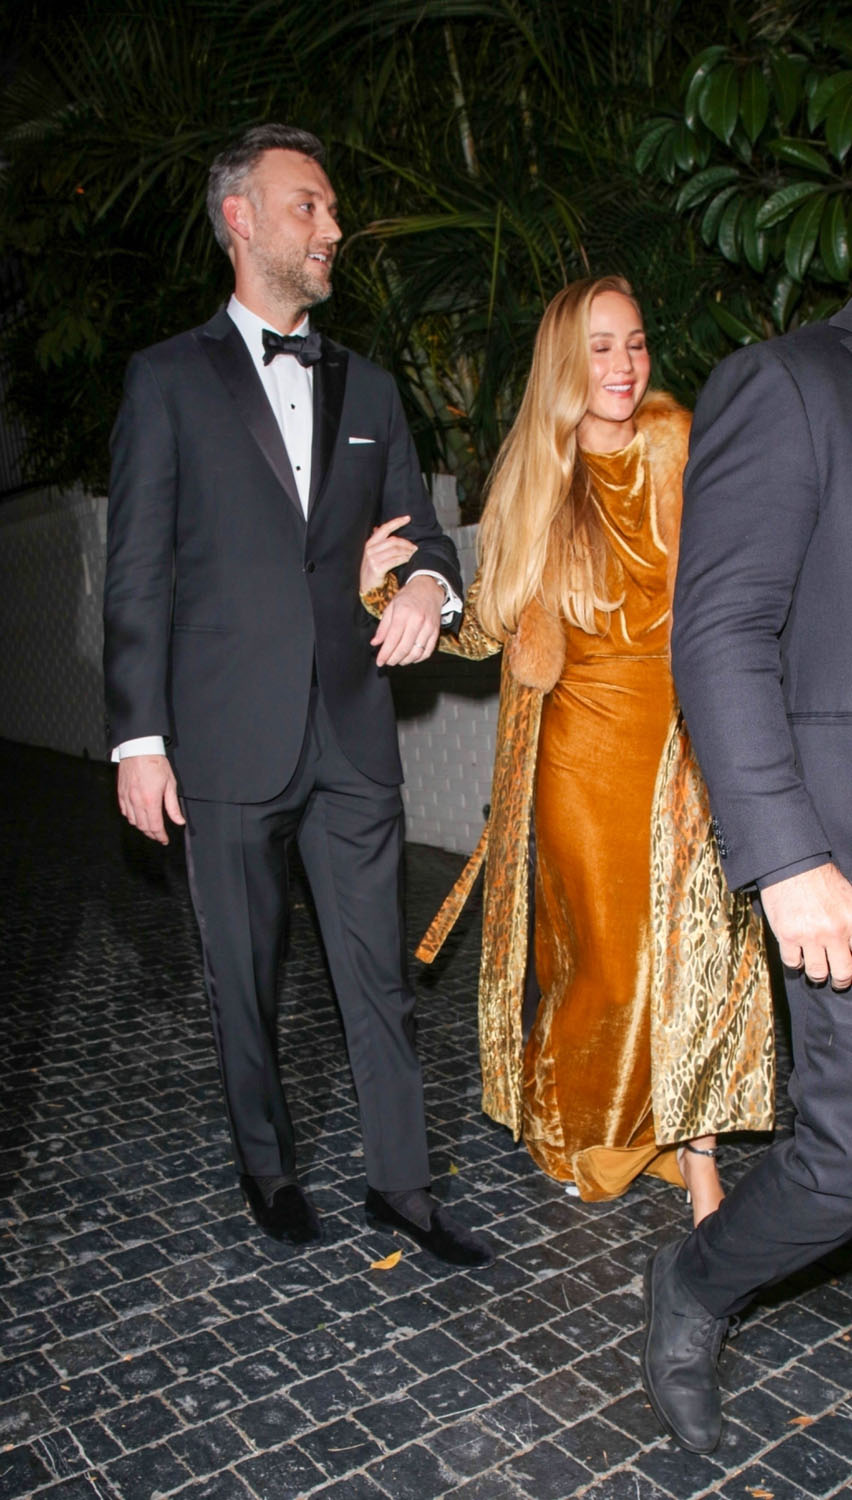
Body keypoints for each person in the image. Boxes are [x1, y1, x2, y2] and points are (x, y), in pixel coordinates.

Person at [103, 122, 493, 1269]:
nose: (333, 227)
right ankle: (267, 1168)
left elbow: (427, 537)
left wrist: (425, 586)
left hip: (353, 729)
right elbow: (138, 571)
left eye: (330, 208)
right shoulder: (167, 380)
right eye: (308, 207)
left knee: (379, 974)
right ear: (242, 218)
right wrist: (138, 738)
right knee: (244, 974)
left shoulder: (369, 384)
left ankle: (404, 1186)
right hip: (224, 734)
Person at [361, 276, 774, 1228]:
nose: (625, 365)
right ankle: (582, 1122)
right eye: (601, 347)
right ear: (563, 361)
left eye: (635, 343)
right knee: (608, 971)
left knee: (700, 958)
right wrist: (389, 592)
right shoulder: (536, 482)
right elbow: (486, 627)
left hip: (689, 750)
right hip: (581, 765)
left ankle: (695, 1158)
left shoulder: (681, 444)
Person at [642, 297, 852, 1453]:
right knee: (843, 1163)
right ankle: (696, 1278)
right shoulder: (792, 383)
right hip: (837, 855)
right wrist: (787, 857)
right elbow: (719, 630)